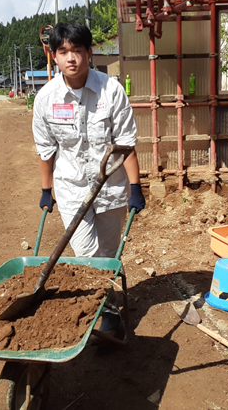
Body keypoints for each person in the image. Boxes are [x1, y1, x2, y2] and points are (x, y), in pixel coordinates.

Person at [32, 21, 145, 341]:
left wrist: (136, 187)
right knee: (87, 254)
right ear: (53, 56)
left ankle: (104, 310)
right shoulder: (46, 98)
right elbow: (46, 150)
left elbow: (126, 144)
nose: (71, 58)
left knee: (108, 255)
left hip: (110, 187)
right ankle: (108, 317)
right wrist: (46, 190)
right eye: (63, 51)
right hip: (70, 187)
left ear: (89, 52)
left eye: (77, 51)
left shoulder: (111, 91)